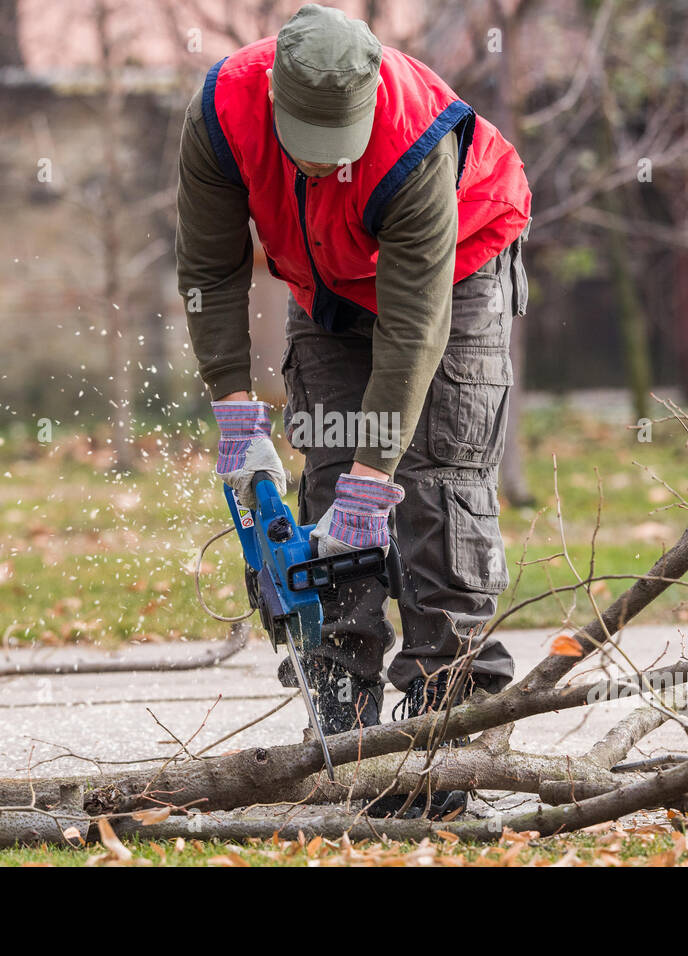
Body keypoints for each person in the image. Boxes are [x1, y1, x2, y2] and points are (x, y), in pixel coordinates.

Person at [176, 3, 531, 816]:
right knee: (330, 492)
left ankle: (446, 741)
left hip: (458, 269)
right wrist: (236, 412)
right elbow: (209, 266)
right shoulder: (222, 115)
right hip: (328, 281)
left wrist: (381, 481)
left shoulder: (416, 137)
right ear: (272, 97)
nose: (326, 161)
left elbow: (413, 328)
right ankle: (347, 742)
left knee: (436, 480)